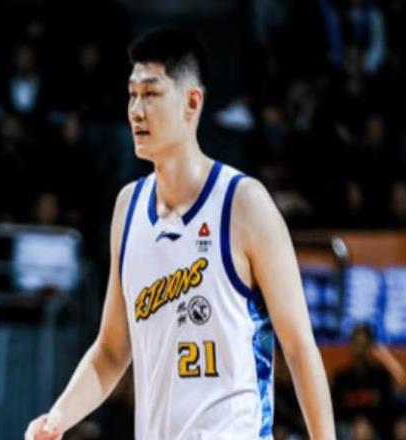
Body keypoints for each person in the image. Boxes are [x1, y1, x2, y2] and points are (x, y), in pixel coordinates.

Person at [25, 28, 336, 440]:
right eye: (132, 95)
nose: (137, 110)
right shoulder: (128, 208)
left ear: (192, 102)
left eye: (151, 94)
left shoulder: (244, 204)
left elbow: (298, 347)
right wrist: (58, 418)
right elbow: (112, 350)